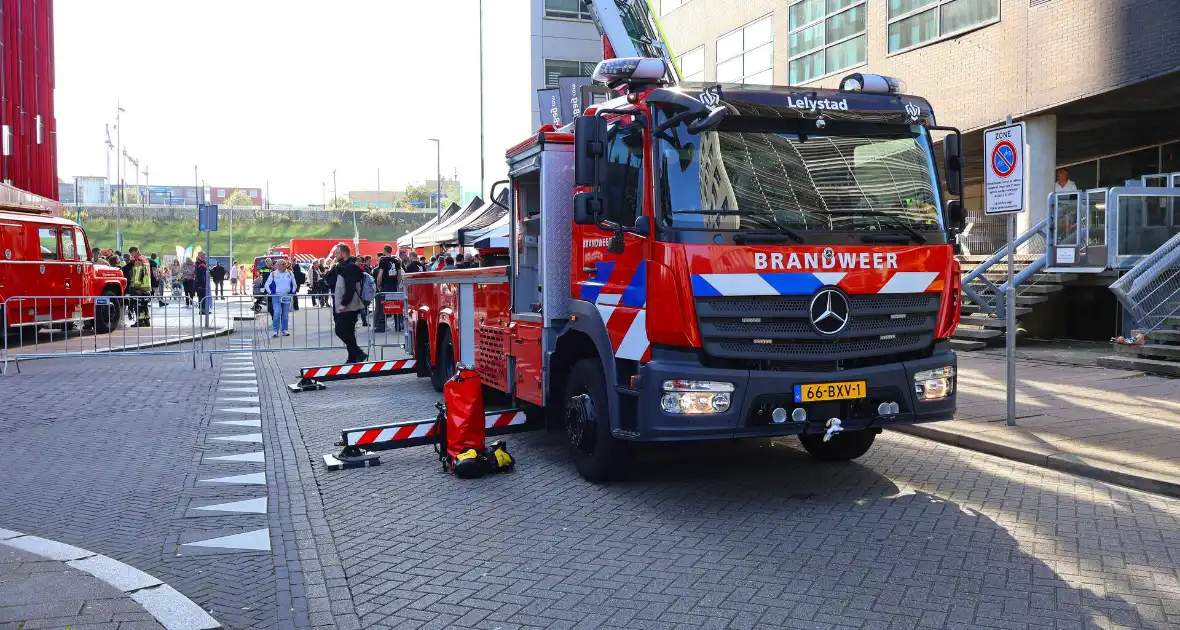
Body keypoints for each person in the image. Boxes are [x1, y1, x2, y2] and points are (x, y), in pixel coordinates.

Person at [330, 243, 367, 364]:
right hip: (347, 305)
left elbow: (350, 287)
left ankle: (358, 353)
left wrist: (344, 303)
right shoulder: (342, 266)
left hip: (349, 305)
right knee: (348, 332)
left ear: (344, 253)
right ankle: (353, 357)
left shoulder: (349, 267)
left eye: (338, 253)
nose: (336, 255)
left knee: (340, 330)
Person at [265, 258, 297, 337]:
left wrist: (292, 292)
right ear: (278, 266)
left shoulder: (290, 273)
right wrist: (271, 293)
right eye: (283, 264)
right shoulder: (273, 274)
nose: (285, 265)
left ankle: (284, 330)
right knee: (276, 313)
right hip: (276, 297)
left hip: (286, 296)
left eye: (285, 264)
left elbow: (294, 284)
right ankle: (275, 331)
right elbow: (266, 285)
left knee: (285, 314)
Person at [374, 245, 401, 333]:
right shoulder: (396, 261)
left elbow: (380, 275)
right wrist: (397, 284)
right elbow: (399, 275)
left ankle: (381, 326)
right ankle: (397, 325)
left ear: (384, 251)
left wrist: (378, 285)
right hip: (393, 285)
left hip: (385, 285)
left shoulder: (383, 261)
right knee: (395, 305)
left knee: (383, 306)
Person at [127, 254, 153, 327]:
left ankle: (140, 321)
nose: (135, 262)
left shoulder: (139, 269)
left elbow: (137, 281)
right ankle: (146, 321)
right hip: (144, 290)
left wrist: (133, 287)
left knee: (138, 306)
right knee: (144, 306)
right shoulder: (143, 268)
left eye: (137, 261)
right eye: (135, 261)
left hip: (140, 290)